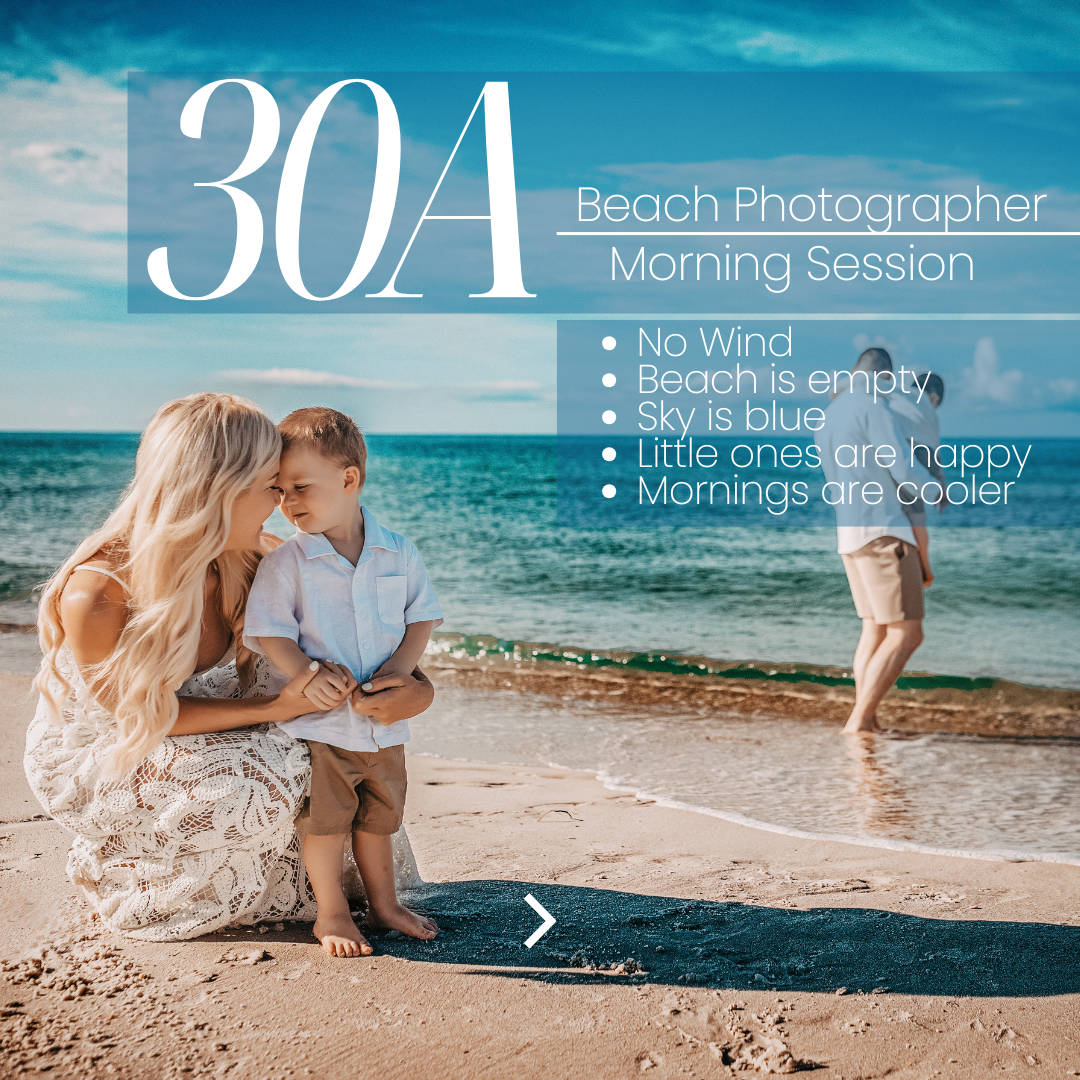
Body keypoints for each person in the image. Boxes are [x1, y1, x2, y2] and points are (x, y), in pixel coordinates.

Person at [24, 393, 434, 940]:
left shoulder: (258, 558)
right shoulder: (100, 591)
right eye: (271, 486)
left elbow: (361, 640)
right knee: (269, 777)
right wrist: (278, 705)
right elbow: (139, 717)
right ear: (217, 490)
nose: (282, 504)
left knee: (333, 758)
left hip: (232, 720)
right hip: (121, 743)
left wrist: (416, 692)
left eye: (289, 487)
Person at [245, 407, 443, 957]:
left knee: (379, 820)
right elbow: (269, 632)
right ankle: (331, 912)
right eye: (280, 490)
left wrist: (402, 670)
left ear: (349, 478)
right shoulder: (288, 562)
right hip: (325, 726)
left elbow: (421, 616)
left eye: (301, 487)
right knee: (328, 825)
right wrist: (305, 675)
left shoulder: (397, 551)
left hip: (384, 725)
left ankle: (386, 906)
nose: (288, 503)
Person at [815, 348, 939, 734]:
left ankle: (866, 717)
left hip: (849, 536)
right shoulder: (874, 408)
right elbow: (902, 467)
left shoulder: (829, 416)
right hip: (886, 533)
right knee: (908, 632)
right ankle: (860, 720)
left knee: (874, 629)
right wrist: (937, 488)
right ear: (885, 376)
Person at [888, 370, 946, 586]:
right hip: (920, 452)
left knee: (905, 510)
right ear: (934, 398)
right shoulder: (929, 410)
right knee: (918, 518)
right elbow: (937, 454)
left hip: (893, 450)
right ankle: (925, 569)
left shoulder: (897, 394)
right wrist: (942, 486)